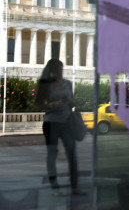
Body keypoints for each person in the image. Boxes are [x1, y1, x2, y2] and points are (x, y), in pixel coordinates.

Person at [35, 59, 85, 196]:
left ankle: (74, 187)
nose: (60, 72)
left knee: (72, 153)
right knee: (52, 154)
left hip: (67, 122)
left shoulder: (67, 83)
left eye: (61, 69)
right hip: (51, 123)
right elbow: (38, 104)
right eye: (57, 69)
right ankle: (54, 187)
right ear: (51, 71)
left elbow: (74, 103)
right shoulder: (46, 85)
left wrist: (70, 101)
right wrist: (51, 105)